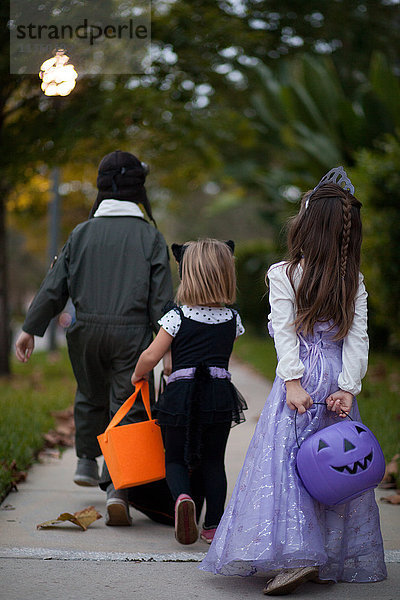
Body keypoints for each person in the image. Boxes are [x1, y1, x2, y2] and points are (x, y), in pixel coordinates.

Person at [199, 168, 387, 594]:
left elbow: (284, 333)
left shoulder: (283, 272)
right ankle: (322, 556)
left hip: (300, 380)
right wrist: (347, 386)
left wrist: (292, 382)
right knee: (334, 465)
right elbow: (358, 338)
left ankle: (297, 554)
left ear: (306, 226)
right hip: (336, 378)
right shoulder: (351, 279)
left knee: (289, 464)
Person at [15, 150, 173, 525]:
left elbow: (55, 287)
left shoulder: (81, 233)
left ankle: (86, 459)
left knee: (89, 393)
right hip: (132, 334)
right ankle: (118, 486)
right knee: (129, 405)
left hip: (84, 332)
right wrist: (168, 347)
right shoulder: (150, 236)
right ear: (140, 189)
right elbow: (162, 301)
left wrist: (29, 328)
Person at [131, 238, 247, 545]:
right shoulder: (233, 319)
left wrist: (138, 374)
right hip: (219, 394)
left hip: (181, 394)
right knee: (213, 461)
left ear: (187, 275)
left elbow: (151, 356)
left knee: (175, 459)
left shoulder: (177, 316)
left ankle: (182, 498)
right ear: (226, 275)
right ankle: (212, 526)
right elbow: (220, 352)